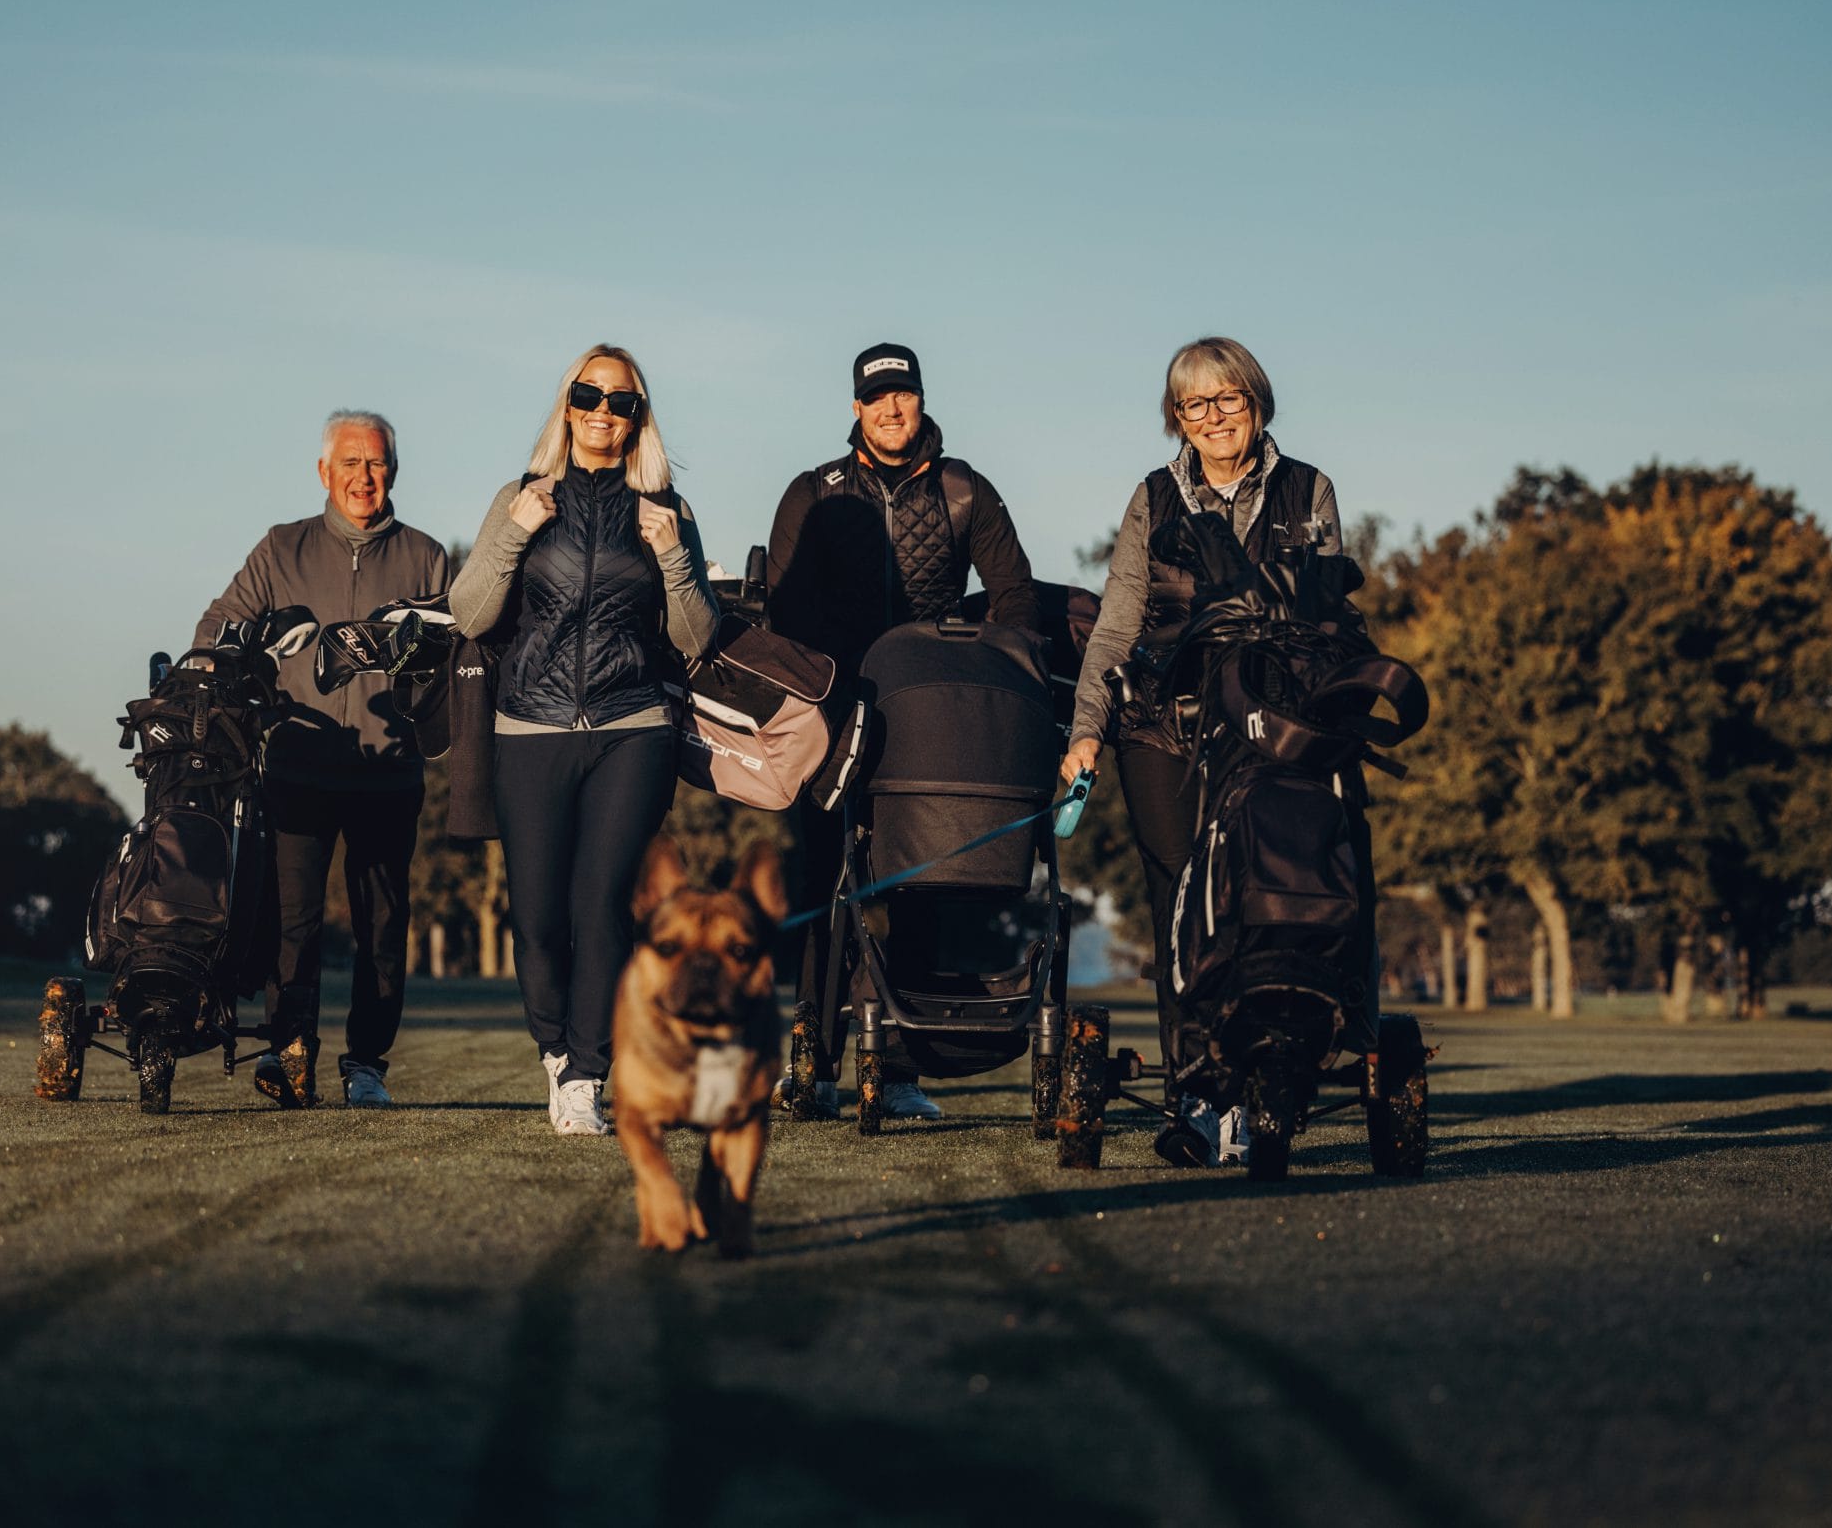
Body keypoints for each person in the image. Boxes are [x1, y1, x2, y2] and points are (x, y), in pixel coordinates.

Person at [1060, 337, 1345, 1166]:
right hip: (1162, 725)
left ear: (1257, 402)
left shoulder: (1308, 489)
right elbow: (1117, 623)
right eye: (1196, 405)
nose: (1215, 418)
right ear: (1176, 418)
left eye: (1230, 399)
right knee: (1180, 904)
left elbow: (1327, 616)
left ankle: (1261, 1084)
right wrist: (1086, 729)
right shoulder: (1153, 499)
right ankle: (1196, 1088)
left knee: (1264, 898)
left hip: (1272, 726)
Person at [448, 344, 720, 1136]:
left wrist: (671, 555)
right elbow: (470, 615)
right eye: (589, 395)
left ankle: (586, 1077)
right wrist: (513, 534)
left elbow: (695, 635)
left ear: (639, 418)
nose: (604, 411)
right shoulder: (521, 496)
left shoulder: (669, 508)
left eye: (621, 401)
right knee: (535, 914)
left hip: (632, 728)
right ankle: (554, 1050)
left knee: (600, 902)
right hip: (530, 726)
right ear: (567, 404)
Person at [765, 341, 1039, 1119]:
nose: (892, 409)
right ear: (855, 407)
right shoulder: (812, 493)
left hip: (932, 722)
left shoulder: (964, 490)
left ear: (921, 400)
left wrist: (989, 680)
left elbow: (1014, 596)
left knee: (925, 885)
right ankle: (812, 1066)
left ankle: (905, 1069)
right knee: (824, 886)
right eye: (877, 397)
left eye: (905, 395)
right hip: (835, 718)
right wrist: (827, 690)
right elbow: (785, 613)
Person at [196, 410, 450, 1110]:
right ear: (323, 472)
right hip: (298, 767)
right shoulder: (281, 549)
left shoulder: (427, 556)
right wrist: (219, 666)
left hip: (387, 774)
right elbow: (218, 626)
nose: (363, 477)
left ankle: (366, 1063)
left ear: (392, 472)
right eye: (350, 463)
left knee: (382, 928)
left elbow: (450, 664)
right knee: (293, 924)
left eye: (375, 464)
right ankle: (289, 1050)